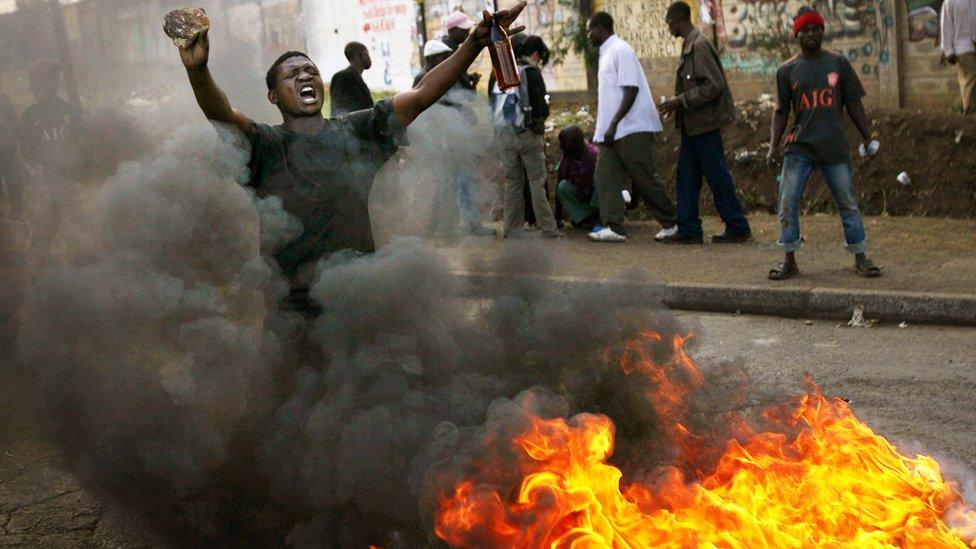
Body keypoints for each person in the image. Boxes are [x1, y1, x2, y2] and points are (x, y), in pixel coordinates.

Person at [174, 3, 527, 309]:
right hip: (291, 306)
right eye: (292, 75)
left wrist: (471, 45)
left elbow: (419, 95)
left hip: (358, 301)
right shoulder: (265, 145)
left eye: (311, 71)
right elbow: (221, 114)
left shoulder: (358, 131)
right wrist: (197, 70)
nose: (305, 77)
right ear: (273, 97)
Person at [766, 7, 881, 280]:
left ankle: (860, 257)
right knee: (788, 203)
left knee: (848, 203)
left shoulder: (838, 64)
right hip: (800, 147)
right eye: (804, 30)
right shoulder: (787, 71)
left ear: (822, 31)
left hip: (833, 147)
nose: (810, 34)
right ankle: (789, 260)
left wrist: (867, 136)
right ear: (797, 35)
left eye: (814, 28)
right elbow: (781, 112)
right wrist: (773, 146)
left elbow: (853, 103)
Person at [659, 1, 751, 244]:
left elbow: (713, 86)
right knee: (687, 176)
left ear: (678, 19)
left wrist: (679, 101)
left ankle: (737, 226)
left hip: (705, 125)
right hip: (694, 125)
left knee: (717, 176)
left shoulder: (699, 46)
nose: (668, 28)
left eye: (669, 23)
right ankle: (689, 229)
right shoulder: (691, 45)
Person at [585, 11, 677, 243]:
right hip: (611, 132)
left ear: (601, 28)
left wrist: (614, 123)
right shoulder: (605, 53)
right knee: (604, 176)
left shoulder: (620, 50)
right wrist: (608, 126)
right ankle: (614, 227)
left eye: (590, 30)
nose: (588, 36)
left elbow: (631, 88)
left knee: (644, 178)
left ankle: (672, 222)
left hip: (631, 128)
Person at [413, 39, 494, 236]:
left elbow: (467, 99)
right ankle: (441, 227)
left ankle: (470, 224)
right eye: (443, 56)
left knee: (464, 180)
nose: (447, 58)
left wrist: (471, 84)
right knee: (443, 184)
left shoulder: (451, 75)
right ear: (433, 59)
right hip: (440, 141)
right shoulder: (423, 79)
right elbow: (421, 109)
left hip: (458, 140)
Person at [490, 34, 561, 238]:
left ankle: (511, 229)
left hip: (505, 135)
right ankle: (547, 229)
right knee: (537, 181)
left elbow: (491, 104)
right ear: (536, 54)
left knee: (513, 182)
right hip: (527, 134)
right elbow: (540, 108)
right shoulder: (531, 72)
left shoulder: (498, 72)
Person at [555, 125, 600, 229]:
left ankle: (601, 215)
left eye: (564, 144)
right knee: (562, 187)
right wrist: (558, 217)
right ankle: (585, 217)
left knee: (600, 176)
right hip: (583, 198)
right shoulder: (566, 160)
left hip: (598, 199)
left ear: (576, 145)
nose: (561, 147)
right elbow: (559, 185)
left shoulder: (594, 155)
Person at [940, 0, 976, 114]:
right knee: (971, 77)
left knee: (969, 80)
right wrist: (948, 51)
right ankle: (969, 111)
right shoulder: (951, 2)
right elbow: (946, 26)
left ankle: (964, 107)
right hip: (963, 47)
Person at [0, 81, 27, 221]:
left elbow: (15, 127)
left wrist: (10, 140)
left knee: (15, 183)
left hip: (8, 153)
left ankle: (16, 218)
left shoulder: (4, 100)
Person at [329, 42, 374, 117]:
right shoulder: (342, 77)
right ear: (360, 55)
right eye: (367, 54)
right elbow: (339, 112)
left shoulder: (355, 77)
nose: (370, 58)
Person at [441, 11, 481, 91]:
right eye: (464, 30)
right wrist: (472, 84)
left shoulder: (454, 50)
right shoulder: (447, 53)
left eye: (468, 30)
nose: (468, 33)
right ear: (452, 30)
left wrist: (469, 78)